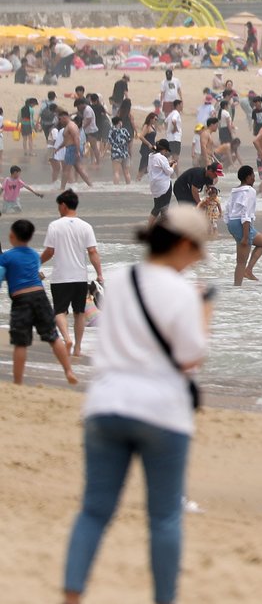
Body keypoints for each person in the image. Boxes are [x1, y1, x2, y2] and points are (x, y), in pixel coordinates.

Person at [62, 207, 211, 604]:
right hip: (162, 411)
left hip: (106, 403)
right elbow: (190, 357)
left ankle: (72, 595)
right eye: (197, 250)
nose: (198, 258)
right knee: (163, 517)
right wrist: (205, 312)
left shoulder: (123, 279)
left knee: (93, 511)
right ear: (182, 244)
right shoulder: (183, 292)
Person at [0, 219, 78, 385]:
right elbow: (31, 272)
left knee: (20, 342)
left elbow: (1, 276)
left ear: (11, 236)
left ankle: (18, 382)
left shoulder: (6, 257)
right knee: (53, 336)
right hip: (40, 296)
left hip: (21, 300)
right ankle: (68, 370)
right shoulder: (35, 255)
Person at [42, 189, 103, 359]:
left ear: (63, 205)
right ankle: (77, 348)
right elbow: (92, 252)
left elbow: (49, 251)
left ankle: (66, 339)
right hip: (80, 277)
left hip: (61, 277)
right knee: (79, 313)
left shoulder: (54, 226)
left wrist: (37, 263)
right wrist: (100, 274)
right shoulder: (86, 226)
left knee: (60, 311)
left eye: (58, 206)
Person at [224, 165, 262, 285]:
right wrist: (244, 235)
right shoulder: (249, 191)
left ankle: (246, 273)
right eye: (253, 176)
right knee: (241, 261)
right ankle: (239, 284)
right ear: (248, 177)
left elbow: (227, 209)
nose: (254, 179)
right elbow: (246, 213)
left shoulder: (235, 190)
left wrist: (231, 228)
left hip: (233, 222)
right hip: (241, 223)